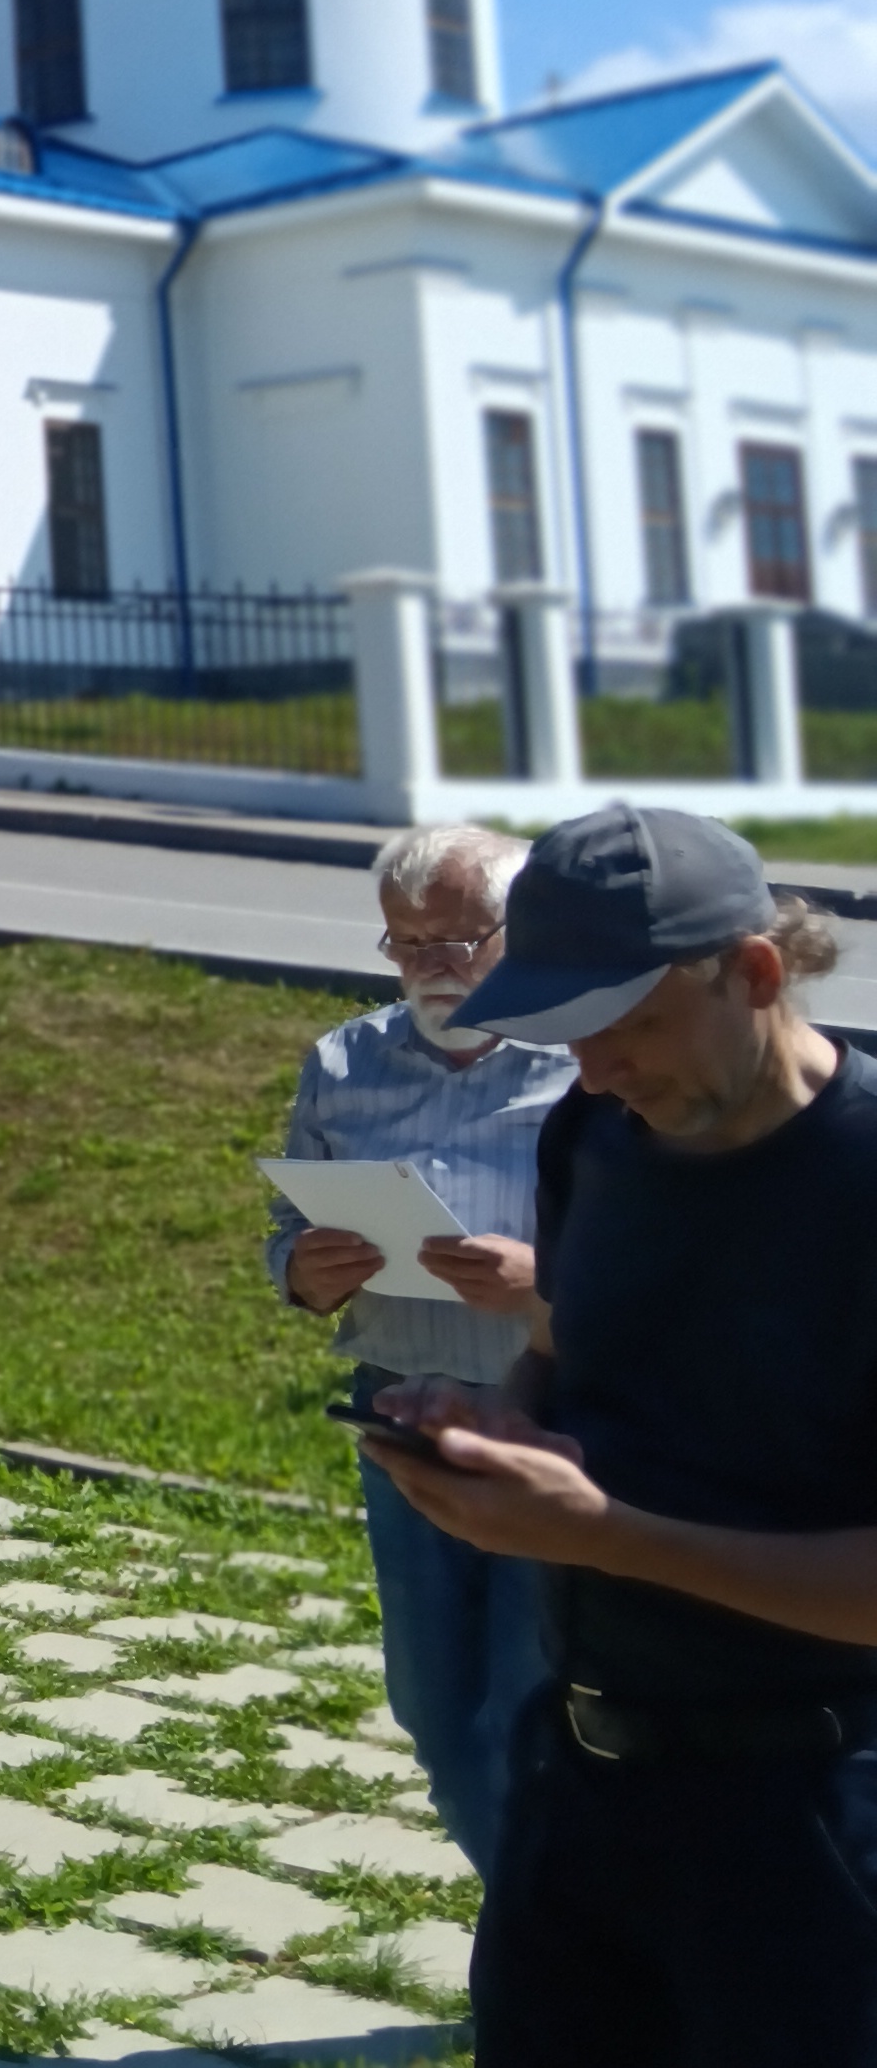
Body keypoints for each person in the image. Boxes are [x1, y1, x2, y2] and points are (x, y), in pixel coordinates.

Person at [369, 804, 877, 2065]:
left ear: (754, 973)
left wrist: (604, 1535)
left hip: (822, 1820)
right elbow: (564, 1345)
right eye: (563, 1036)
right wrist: (497, 1424)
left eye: (624, 1026)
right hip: (583, 1786)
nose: (593, 1070)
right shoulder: (595, 1136)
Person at [265, 819, 572, 1879]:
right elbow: (285, 1238)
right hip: (402, 1411)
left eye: (460, 940)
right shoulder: (342, 1062)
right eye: (408, 943)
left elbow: (661, 1253)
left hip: (546, 1422)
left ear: (516, 933)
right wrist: (302, 1273)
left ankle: (550, 1966)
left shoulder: (585, 1064)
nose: (434, 967)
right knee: (435, 1712)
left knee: (530, 1706)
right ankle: (535, 1934)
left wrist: (546, 1283)